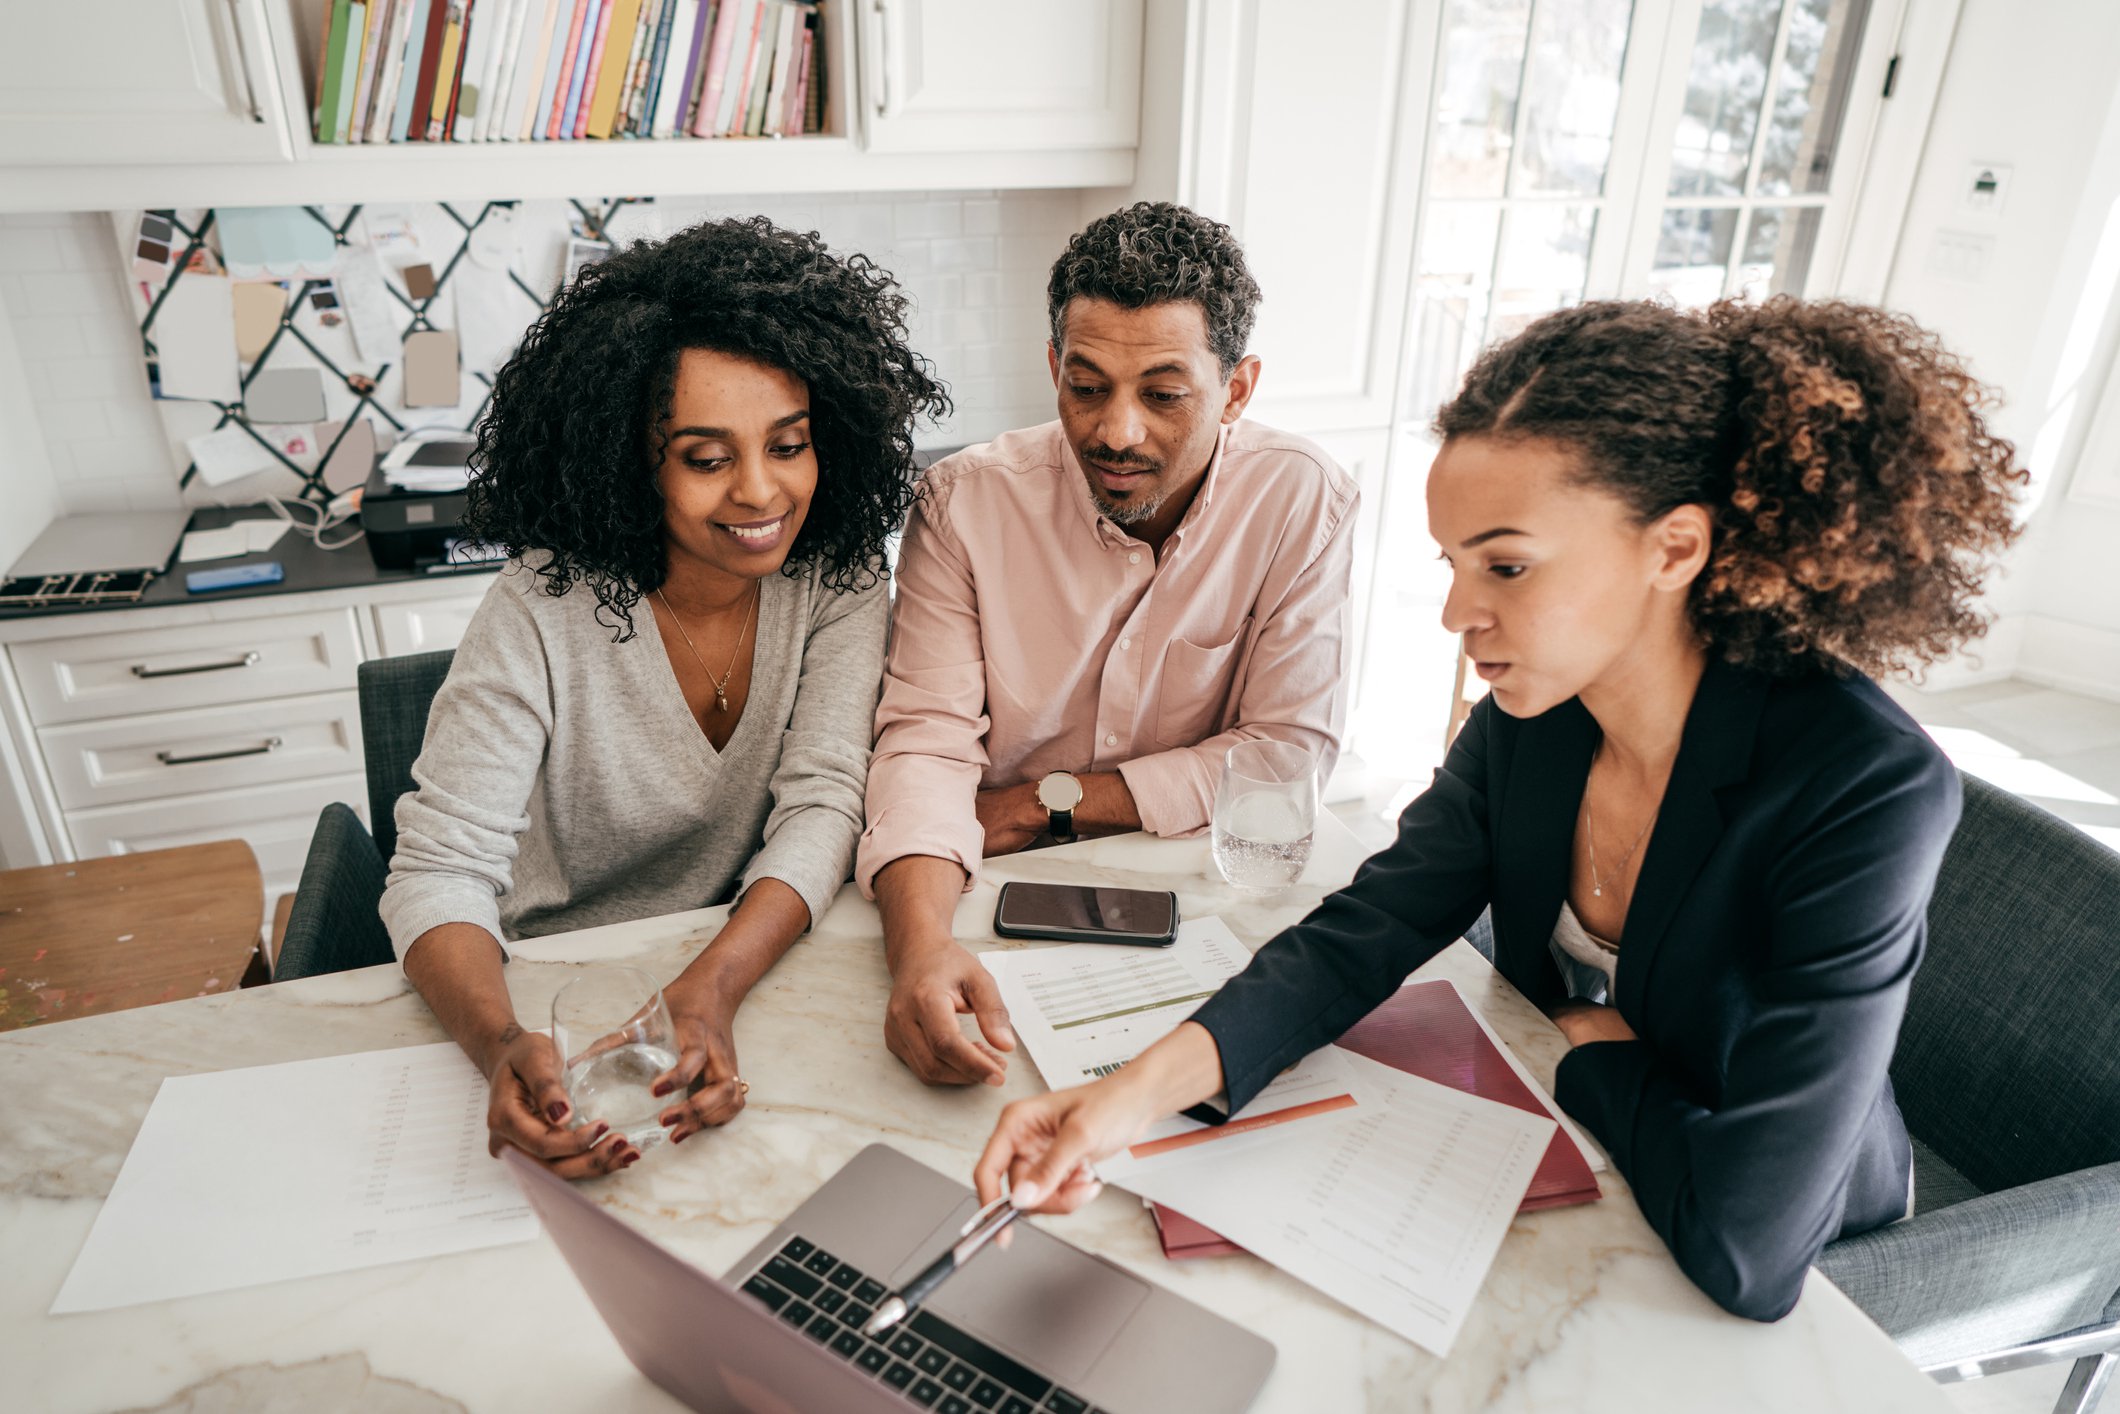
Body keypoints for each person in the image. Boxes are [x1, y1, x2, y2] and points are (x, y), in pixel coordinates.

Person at [971, 297, 2027, 1322]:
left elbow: (1749, 1248)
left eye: (1506, 565)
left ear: (1672, 549)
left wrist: (1591, 1057)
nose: (1453, 613)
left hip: (1789, 1247)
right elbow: (1366, 927)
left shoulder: (1857, 785)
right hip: (1579, 1164)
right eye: (1453, 562)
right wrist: (1125, 1098)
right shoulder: (1538, 711)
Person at [380, 217, 948, 1178]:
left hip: (748, 961)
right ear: (632, 461)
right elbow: (437, 870)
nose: (762, 494)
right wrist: (498, 1043)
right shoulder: (542, 604)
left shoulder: (839, 574)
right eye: (706, 457)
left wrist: (712, 988)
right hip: (547, 982)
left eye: (790, 443)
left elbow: (824, 801)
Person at [857, 201, 1360, 1089]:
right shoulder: (962, 504)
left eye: (1164, 396)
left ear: (1236, 391)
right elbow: (925, 744)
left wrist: (1046, 802)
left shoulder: (1301, 500)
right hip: (980, 888)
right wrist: (921, 951)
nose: (1117, 432)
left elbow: (1288, 755)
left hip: (1203, 904)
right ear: (1054, 367)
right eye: (1086, 388)